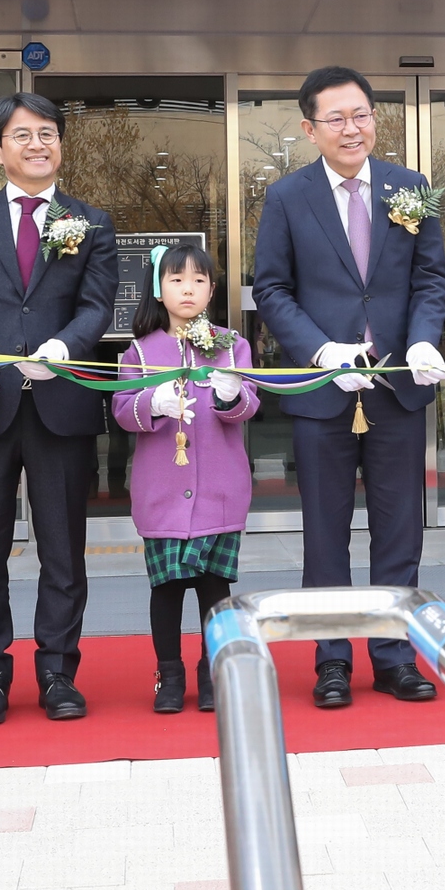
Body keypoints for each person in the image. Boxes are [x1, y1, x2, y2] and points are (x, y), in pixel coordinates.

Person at [251, 65, 445, 709]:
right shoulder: (287, 197)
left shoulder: (410, 187)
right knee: (324, 533)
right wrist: (322, 350)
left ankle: (394, 656)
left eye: (361, 114)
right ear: (310, 129)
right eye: (335, 118)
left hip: (396, 387)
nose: (351, 128)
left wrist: (422, 339)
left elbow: (430, 279)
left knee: (400, 532)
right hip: (323, 390)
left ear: (375, 119)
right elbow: (271, 289)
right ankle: (331, 658)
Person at [0, 91, 118, 723]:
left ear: (60, 143)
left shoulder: (91, 222)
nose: (38, 144)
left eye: (47, 133)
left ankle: (58, 672)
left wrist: (65, 346)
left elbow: (96, 305)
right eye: (22, 135)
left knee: (63, 549)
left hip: (61, 404)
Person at [113, 244, 259, 714]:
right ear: (159, 290)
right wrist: (151, 403)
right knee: (166, 588)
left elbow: (249, 405)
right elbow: (122, 411)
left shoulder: (231, 345)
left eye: (199, 280)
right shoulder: (139, 351)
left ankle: (214, 672)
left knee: (215, 588)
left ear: (212, 290)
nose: (188, 289)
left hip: (220, 489)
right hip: (162, 494)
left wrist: (231, 395)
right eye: (176, 280)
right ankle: (169, 674)